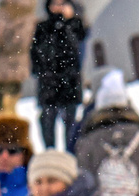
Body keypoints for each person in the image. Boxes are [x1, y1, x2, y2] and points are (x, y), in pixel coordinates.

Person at [30, 0, 86, 151]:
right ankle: (50, 153)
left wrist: (70, 19)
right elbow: (36, 54)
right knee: (47, 123)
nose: (57, 8)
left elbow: (78, 44)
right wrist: (43, 72)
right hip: (49, 83)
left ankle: (70, 153)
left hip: (70, 81)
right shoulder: (42, 28)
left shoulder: (75, 25)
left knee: (71, 125)